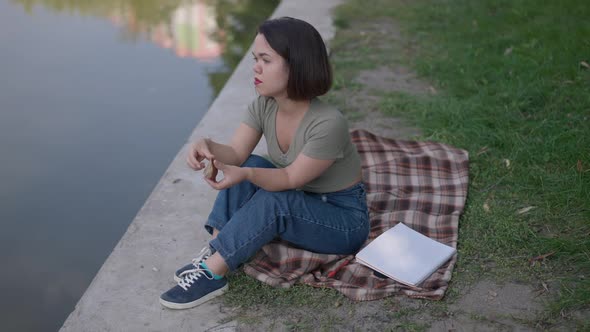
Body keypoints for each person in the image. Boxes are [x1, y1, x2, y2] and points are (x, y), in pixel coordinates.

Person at [159, 17, 370, 310]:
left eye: (266, 60)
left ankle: (213, 274)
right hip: (302, 202)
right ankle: (216, 255)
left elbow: (289, 180)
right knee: (254, 161)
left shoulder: (328, 123)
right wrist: (207, 146)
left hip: (342, 221)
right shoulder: (263, 105)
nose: (255, 67)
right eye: (255, 59)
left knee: (272, 194)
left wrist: (245, 173)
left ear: (296, 65)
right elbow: (235, 152)